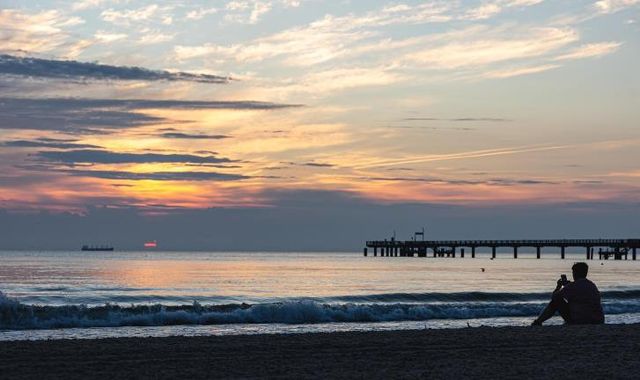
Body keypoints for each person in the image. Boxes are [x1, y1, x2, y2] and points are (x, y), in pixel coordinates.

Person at [532, 262, 604, 326]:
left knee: (556, 301)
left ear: (575, 273)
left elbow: (554, 297)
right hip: (598, 320)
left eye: (573, 272)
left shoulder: (572, 286)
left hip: (581, 321)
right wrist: (568, 286)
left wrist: (558, 287)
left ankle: (538, 322)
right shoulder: (592, 285)